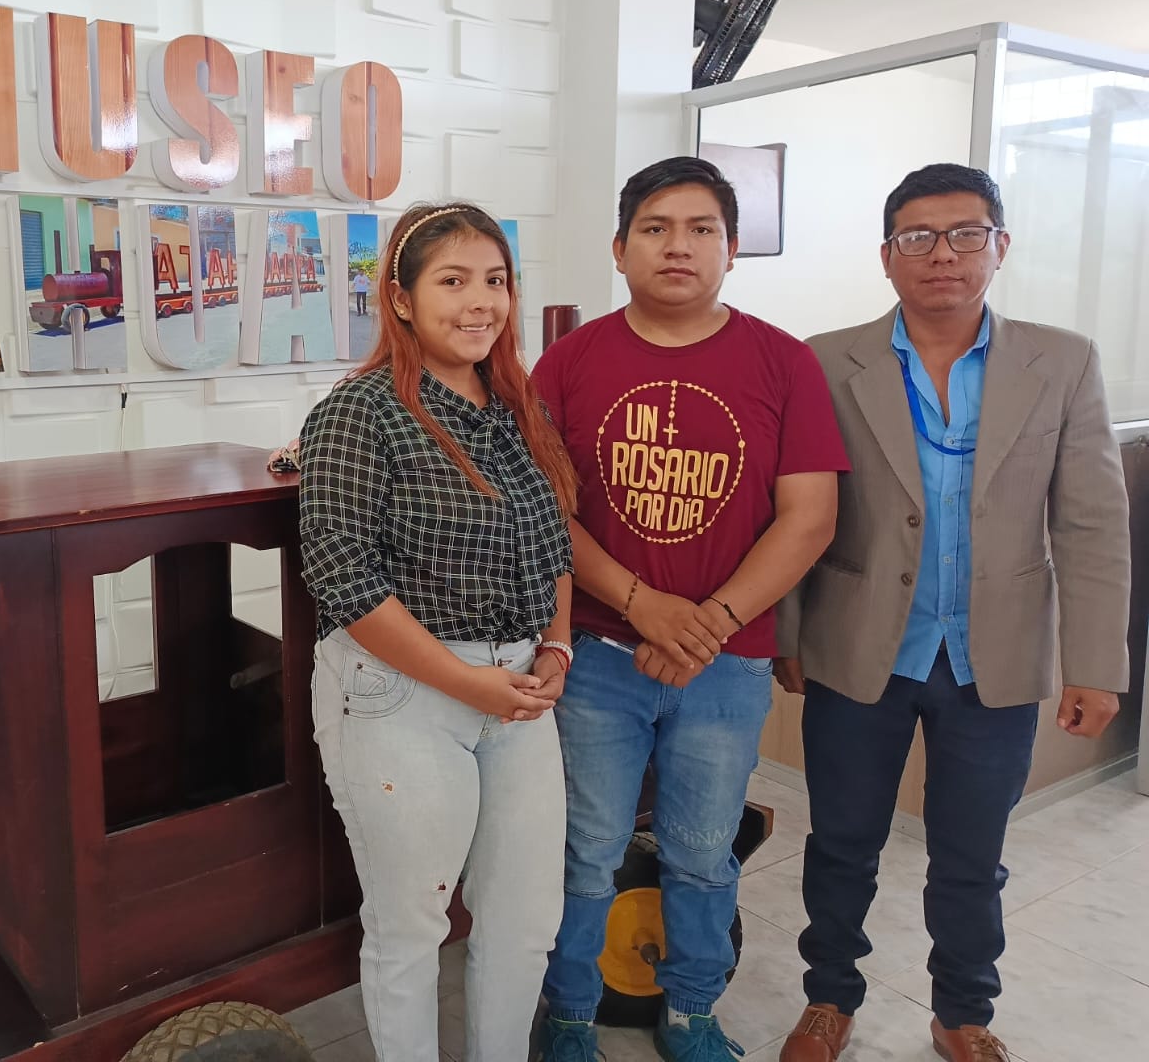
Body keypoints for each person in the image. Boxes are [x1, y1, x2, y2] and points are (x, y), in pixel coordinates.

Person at [774, 164, 1131, 1062]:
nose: (943, 254)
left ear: (999, 246)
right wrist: (787, 634)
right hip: (858, 645)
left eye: (966, 234)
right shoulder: (825, 361)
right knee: (842, 841)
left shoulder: (1062, 361)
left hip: (993, 655)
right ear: (886, 256)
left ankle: (964, 1011)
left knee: (972, 853)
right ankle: (829, 998)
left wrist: (1097, 665)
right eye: (918, 237)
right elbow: (796, 509)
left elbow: (1090, 521)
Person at [532, 157, 850, 1062]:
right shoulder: (569, 362)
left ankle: (692, 1011)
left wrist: (704, 622)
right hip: (597, 656)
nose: (679, 246)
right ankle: (569, 1012)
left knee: (704, 851)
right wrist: (641, 605)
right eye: (656, 228)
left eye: (702, 228)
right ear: (619, 248)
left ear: (731, 248)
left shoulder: (783, 361)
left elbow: (810, 516)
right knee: (587, 847)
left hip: (727, 662)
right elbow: (543, 509)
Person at [297, 202, 581, 1062]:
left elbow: (553, 542)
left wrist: (557, 644)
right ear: (402, 299)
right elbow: (344, 578)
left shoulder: (517, 406)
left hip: (518, 689)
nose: (479, 301)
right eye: (452, 281)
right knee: (411, 924)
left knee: (526, 919)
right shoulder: (361, 412)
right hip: (404, 691)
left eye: (495, 280)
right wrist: (467, 683)